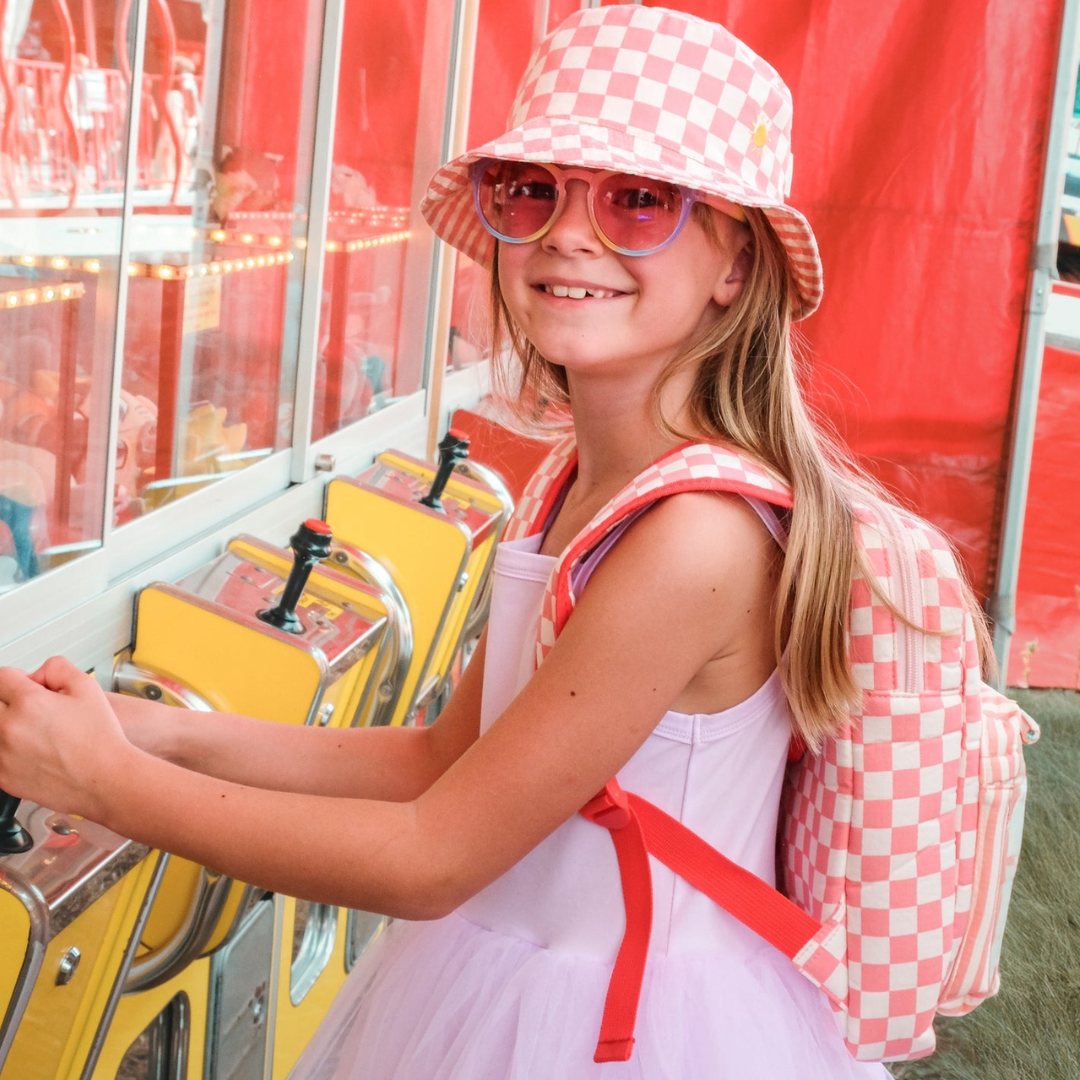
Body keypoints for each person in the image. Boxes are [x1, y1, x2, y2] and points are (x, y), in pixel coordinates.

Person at [0, 7, 972, 1077]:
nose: (569, 231)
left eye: (639, 201)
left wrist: (108, 785)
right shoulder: (576, 481)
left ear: (735, 263)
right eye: (535, 189)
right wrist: (154, 734)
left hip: (617, 1029)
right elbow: (436, 761)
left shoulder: (694, 539)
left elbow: (434, 857)